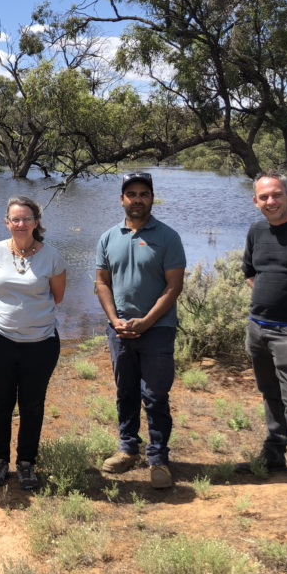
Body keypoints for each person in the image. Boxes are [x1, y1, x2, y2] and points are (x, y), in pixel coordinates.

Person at [95, 172, 186, 490]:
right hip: (119, 330)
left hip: (157, 329)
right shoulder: (108, 237)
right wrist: (114, 319)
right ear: (122, 199)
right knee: (126, 392)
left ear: (151, 198)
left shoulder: (168, 237)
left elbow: (175, 285)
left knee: (155, 395)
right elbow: (102, 283)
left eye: (143, 193)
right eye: (131, 193)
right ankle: (127, 450)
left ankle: (159, 458)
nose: (137, 199)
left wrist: (146, 321)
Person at [0, 196, 66, 491]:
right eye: (15, 219)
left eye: (26, 219)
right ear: (7, 222)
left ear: (36, 223)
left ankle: (26, 463)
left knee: (32, 404)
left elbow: (57, 297)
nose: (21, 224)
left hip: (40, 342)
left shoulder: (52, 257)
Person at [235, 173, 287, 506]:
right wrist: (268, 298)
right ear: (255, 201)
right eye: (264, 197)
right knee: (269, 392)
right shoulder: (256, 231)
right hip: (258, 328)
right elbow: (249, 271)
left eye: (276, 195)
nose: (271, 201)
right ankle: (273, 452)